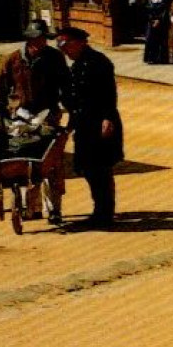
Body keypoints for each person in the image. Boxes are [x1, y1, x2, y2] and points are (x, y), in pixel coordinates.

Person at [0, 20, 70, 226]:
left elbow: (66, 86)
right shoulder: (13, 60)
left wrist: (68, 109)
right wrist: (3, 115)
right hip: (21, 117)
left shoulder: (55, 58)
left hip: (49, 115)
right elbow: (0, 92)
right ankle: (31, 208)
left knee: (51, 164)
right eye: (38, 39)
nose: (41, 43)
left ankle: (54, 210)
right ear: (30, 40)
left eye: (44, 39)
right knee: (25, 161)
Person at [55, 25, 124, 229]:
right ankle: (100, 210)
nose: (63, 50)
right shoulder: (76, 65)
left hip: (100, 123)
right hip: (84, 124)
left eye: (65, 44)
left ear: (79, 42)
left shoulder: (98, 62)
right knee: (87, 168)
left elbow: (108, 94)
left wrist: (107, 118)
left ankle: (104, 214)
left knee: (101, 169)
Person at [143, 0, 169, 64]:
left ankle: (160, 59)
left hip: (161, 25)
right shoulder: (150, 2)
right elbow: (147, 13)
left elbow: (165, 13)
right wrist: (152, 21)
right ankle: (150, 58)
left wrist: (159, 20)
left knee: (160, 41)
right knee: (150, 41)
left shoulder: (164, 2)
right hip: (151, 25)